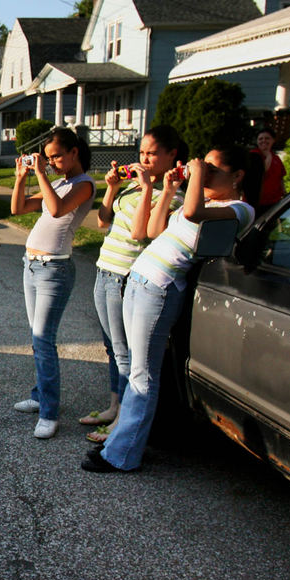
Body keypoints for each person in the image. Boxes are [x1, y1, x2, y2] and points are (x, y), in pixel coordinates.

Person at [82, 145, 259, 473]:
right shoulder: (199, 200)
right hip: (139, 281)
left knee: (143, 374)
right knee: (137, 368)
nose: (204, 175)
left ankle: (122, 455)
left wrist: (195, 176)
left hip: (160, 290)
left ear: (237, 176)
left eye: (212, 171)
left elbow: (193, 214)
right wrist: (171, 188)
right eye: (203, 169)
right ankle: (123, 442)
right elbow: (151, 231)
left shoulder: (239, 208)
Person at [82, 126, 187, 443]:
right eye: (142, 152)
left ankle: (123, 423)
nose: (144, 158)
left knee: (125, 352)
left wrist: (147, 188)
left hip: (126, 275)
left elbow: (142, 233)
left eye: (152, 153)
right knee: (112, 349)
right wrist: (112, 189)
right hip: (105, 269)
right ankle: (114, 406)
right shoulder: (133, 187)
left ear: (172, 155)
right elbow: (103, 222)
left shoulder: (171, 194)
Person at [10, 128, 96, 439]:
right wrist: (21, 177)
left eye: (57, 156)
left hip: (54, 270)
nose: (52, 162)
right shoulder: (58, 182)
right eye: (48, 158)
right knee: (37, 339)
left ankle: (49, 412)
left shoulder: (84, 184)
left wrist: (42, 174)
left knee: (44, 340)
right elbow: (18, 209)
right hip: (31, 266)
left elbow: (58, 209)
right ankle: (39, 394)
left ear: (75, 152)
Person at [251, 127, 286, 210]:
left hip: (274, 202)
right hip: (257, 203)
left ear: (273, 140)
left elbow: (280, 178)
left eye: (267, 138)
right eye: (260, 139)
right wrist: (268, 156)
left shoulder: (276, 158)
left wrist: (284, 193)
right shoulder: (253, 155)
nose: (264, 141)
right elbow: (261, 172)